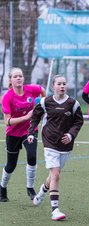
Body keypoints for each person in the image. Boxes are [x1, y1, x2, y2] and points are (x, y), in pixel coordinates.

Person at [28, 75, 84, 221]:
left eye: (64, 83)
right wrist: (31, 133)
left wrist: (71, 135)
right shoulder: (44, 102)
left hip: (65, 145)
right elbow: (35, 117)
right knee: (56, 174)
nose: (62, 86)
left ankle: (41, 192)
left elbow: (79, 122)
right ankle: (55, 210)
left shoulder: (73, 103)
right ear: (53, 86)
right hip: (49, 142)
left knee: (54, 174)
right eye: (59, 84)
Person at [0, 67, 46, 202]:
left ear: (23, 78)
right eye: (15, 76)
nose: (18, 78)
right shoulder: (7, 97)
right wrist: (26, 117)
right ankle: (2, 187)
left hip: (30, 130)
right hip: (13, 134)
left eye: (20, 76)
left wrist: (43, 107)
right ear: (11, 80)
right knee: (10, 165)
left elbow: (42, 91)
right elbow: (8, 121)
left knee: (32, 157)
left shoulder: (31, 89)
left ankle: (30, 188)